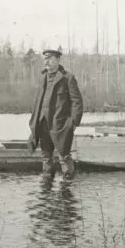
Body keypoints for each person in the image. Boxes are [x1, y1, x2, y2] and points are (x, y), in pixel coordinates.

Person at [27, 49, 84, 180]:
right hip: (43, 124)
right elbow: (38, 102)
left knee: (64, 156)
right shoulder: (43, 77)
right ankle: (47, 186)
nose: (46, 62)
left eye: (50, 59)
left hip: (61, 125)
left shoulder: (67, 78)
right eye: (45, 59)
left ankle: (67, 185)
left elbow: (77, 102)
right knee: (46, 156)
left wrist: (73, 123)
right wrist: (35, 122)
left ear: (58, 60)